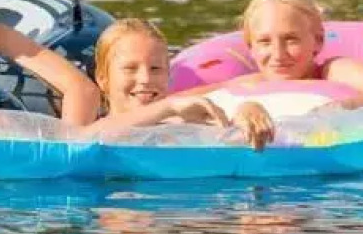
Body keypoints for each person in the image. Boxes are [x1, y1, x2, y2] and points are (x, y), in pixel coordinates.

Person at [196, 0, 363, 108]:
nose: (278, 54)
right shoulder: (251, 85)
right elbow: (178, 102)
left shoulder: (335, 71)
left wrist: (343, 108)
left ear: (318, 41)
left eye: (291, 39)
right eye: (265, 42)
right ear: (251, 48)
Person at [86, 18, 277, 150]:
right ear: (103, 79)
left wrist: (248, 109)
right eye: (130, 68)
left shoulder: (182, 125)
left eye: (155, 69)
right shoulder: (94, 132)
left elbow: (228, 129)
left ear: (168, 76)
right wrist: (169, 106)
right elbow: (86, 137)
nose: (145, 78)